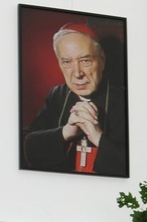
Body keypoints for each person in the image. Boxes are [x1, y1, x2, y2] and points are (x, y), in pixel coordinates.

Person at [21, 22, 128, 177]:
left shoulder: (124, 100)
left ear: (102, 60)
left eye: (85, 61)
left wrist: (98, 137)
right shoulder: (57, 95)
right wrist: (65, 132)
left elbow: (140, 165)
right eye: (67, 62)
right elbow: (22, 147)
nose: (77, 73)